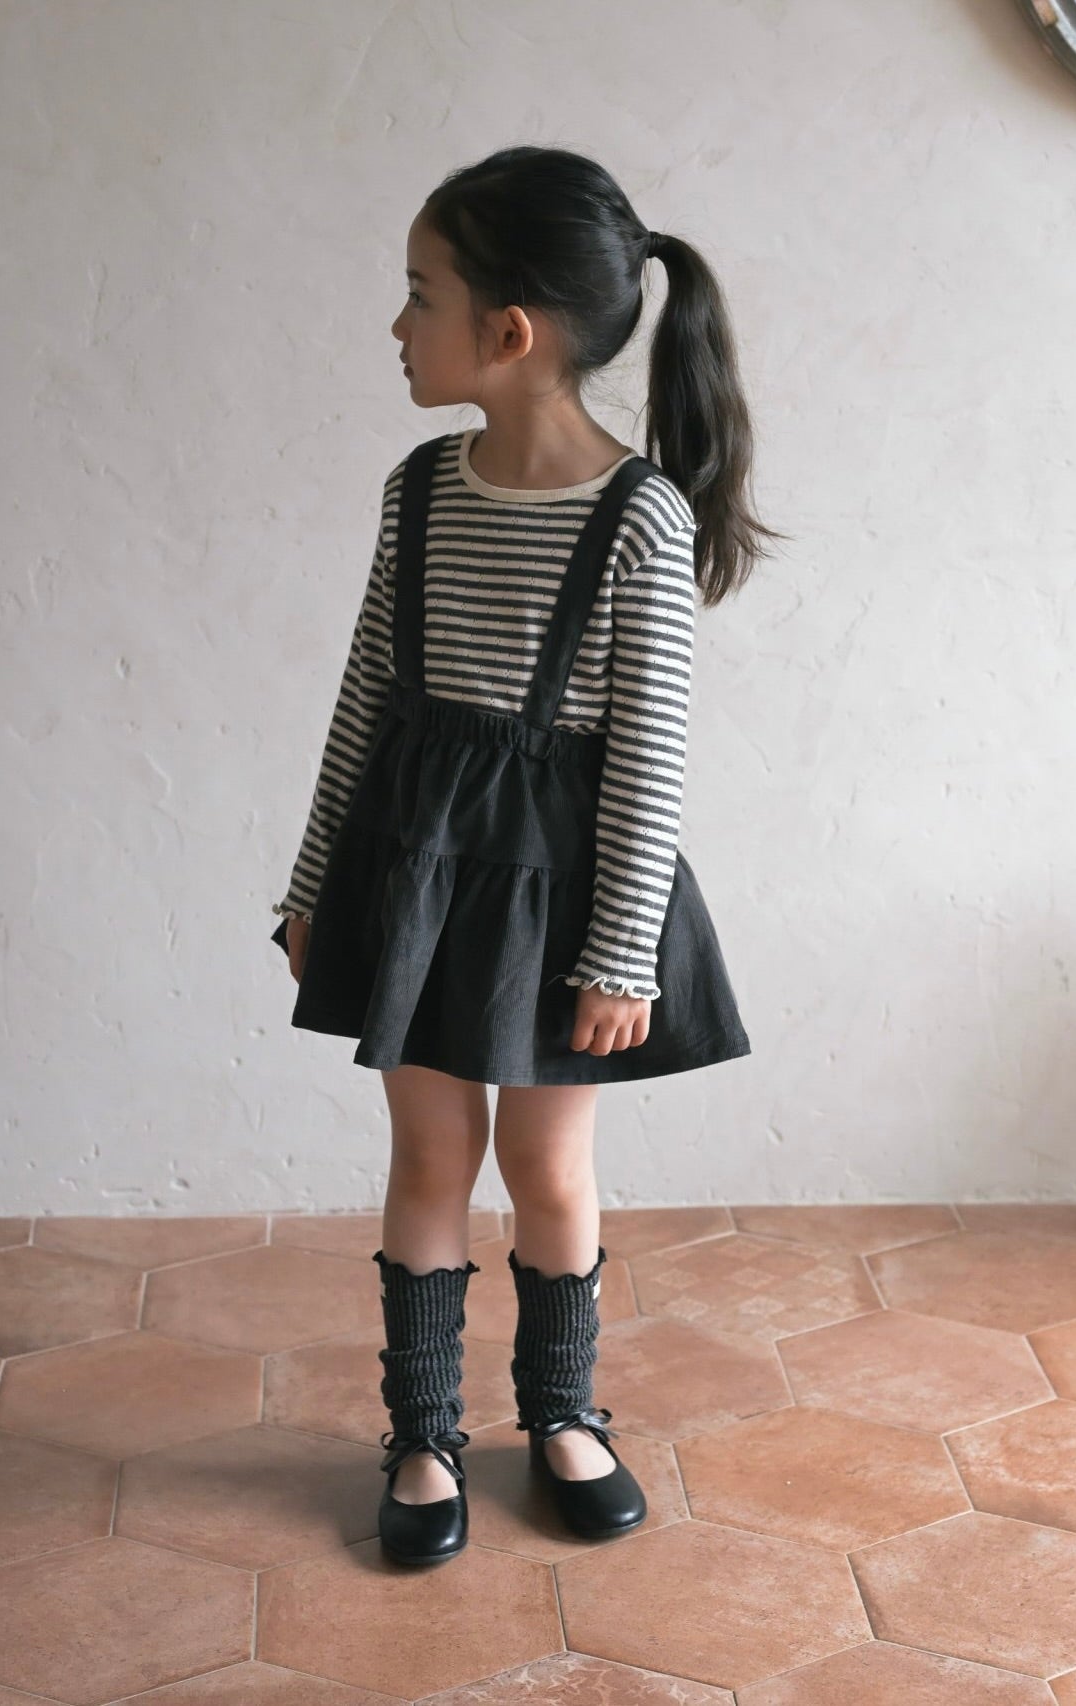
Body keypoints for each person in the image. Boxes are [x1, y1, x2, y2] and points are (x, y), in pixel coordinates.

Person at [268, 145, 784, 1566]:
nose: (396, 324)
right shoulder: (420, 490)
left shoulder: (640, 517)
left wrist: (624, 955)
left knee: (547, 1165)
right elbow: (365, 702)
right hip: (418, 877)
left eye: (417, 294)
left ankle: (563, 1411)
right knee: (431, 1149)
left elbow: (650, 758)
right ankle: (424, 1431)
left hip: (563, 900)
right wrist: (311, 884)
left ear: (508, 332)